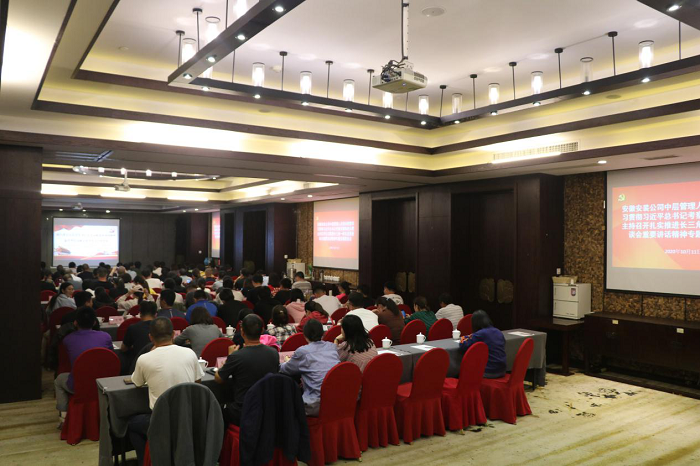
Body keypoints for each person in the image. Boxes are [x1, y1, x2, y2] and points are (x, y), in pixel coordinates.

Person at [129, 317, 203, 464]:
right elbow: (198, 382)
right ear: (174, 334)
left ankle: (147, 461)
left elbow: (137, 383)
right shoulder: (189, 353)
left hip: (160, 420)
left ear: (150, 337)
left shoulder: (144, 359)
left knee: (132, 424)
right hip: (188, 418)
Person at [215, 314, 279, 426]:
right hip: (268, 408)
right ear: (262, 331)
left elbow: (219, 379)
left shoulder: (237, 356)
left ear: (242, 332)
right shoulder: (274, 353)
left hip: (243, 411)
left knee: (217, 409)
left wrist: (229, 357)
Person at [54, 307, 113, 428]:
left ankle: (63, 418)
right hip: (103, 383)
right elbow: (110, 356)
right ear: (95, 322)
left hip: (79, 385)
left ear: (75, 323)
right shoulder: (106, 337)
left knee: (59, 380)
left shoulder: (68, 340)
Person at [279, 319, 339, 416]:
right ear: (323, 333)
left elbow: (285, 369)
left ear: (305, 335)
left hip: (315, 404)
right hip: (336, 400)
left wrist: (286, 362)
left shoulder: (303, 352)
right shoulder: (332, 347)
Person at [459, 310, 506, 379]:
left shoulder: (481, 334)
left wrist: (463, 338)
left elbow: (463, 345)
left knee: (465, 370)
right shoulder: (498, 331)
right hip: (502, 370)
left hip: (489, 372)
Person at [120, 301, 157, 371]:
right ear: (155, 314)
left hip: (138, 366)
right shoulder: (161, 328)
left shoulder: (133, 328)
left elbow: (123, 348)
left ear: (140, 314)